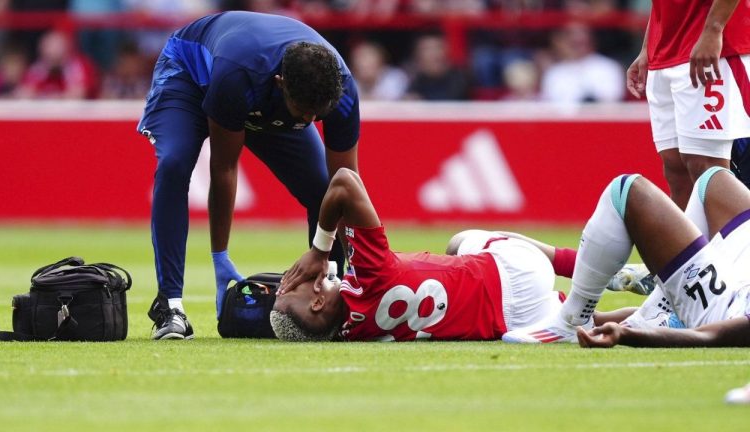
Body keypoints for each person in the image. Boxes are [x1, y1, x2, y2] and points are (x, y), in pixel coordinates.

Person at [138, 11, 360, 340]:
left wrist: (340, 265)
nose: (311, 119)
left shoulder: (341, 92)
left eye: (319, 114)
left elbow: (346, 187)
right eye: (304, 112)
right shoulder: (238, 78)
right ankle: (170, 306)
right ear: (281, 84)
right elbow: (224, 167)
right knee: (174, 163)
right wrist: (220, 256)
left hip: (261, 92)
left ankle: (335, 296)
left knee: (322, 189)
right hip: (190, 75)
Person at [270, 168, 641, 342]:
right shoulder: (370, 273)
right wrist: (320, 249)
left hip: (516, 323)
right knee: (463, 239)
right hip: (517, 271)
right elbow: (344, 181)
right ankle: (600, 271)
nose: (292, 279)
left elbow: (302, 324)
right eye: (292, 287)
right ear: (317, 304)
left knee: (597, 320)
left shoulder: (349, 334)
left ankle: (658, 313)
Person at [502, 166, 750, 344]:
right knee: (714, 180)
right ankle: (660, 304)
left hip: (727, 306)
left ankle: (573, 320)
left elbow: (712, 335)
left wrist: (630, 335)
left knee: (626, 191)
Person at [626, 0, 750, 209]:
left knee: (709, 169)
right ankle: (694, 243)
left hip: (712, 46)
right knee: (676, 171)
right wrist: (649, 46)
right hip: (665, 52)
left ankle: (735, 241)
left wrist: (713, 29)